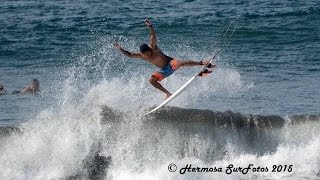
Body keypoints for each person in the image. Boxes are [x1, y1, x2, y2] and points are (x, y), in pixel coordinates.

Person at [114, 18, 216, 99]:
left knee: (179, 63)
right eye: (146, 54)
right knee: (151, 80)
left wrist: (150, 26)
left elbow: (152, 35)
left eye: (148, 53)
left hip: (170, 63)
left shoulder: (153, 47)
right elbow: (129, 54)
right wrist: (120, 49)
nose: (148, 55)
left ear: (149, 49)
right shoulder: (142, 55)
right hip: (164, 70)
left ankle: (202, 63)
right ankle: (168, 94)